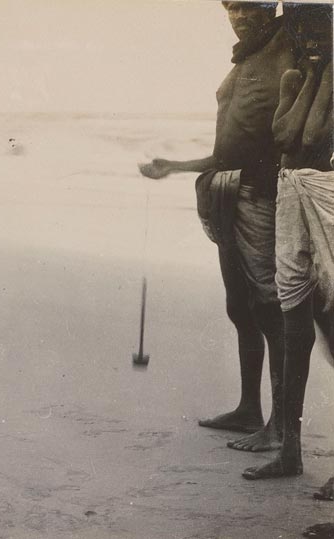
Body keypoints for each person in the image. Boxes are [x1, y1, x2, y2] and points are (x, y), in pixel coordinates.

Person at [139, 1, 293, 452]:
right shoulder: (246, 57)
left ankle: (282, 423)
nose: (239, 15)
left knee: (269, 306)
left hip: (261, 192)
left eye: (249, 6)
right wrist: (176, 166)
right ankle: (250, 408)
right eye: (232, 7)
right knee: (240, 306)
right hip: (225, 188)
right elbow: (226, 149)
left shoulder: (289, 43)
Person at [243, 3, 333, 484]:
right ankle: (292, 452)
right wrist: (314, 74)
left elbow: (316, 133)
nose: (307, 38)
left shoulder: (313, 75)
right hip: (291, 194)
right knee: (294, 320)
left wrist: (323, 72)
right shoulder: (294, 77)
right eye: (300, 29)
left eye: (318, 27)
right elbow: (284, 134)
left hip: (327, 198)